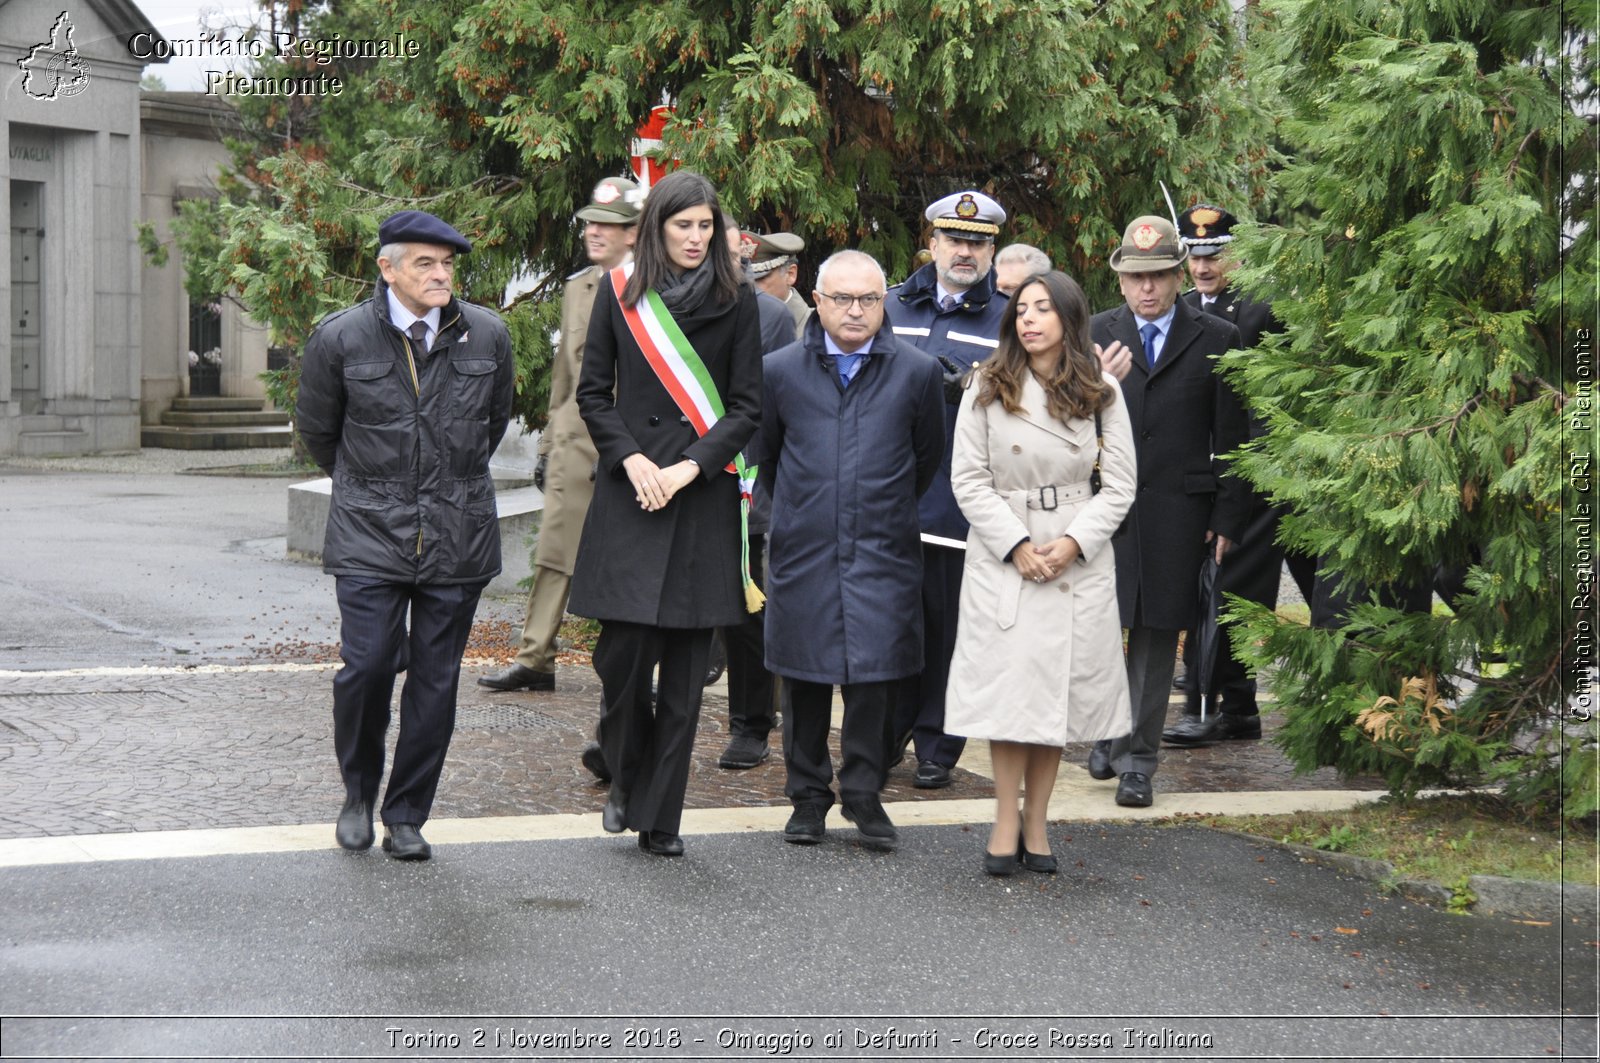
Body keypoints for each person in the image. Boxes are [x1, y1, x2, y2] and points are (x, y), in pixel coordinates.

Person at [296, 210, 515, 861]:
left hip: (459, 532)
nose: (441, 273)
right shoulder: (340, 338)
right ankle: (358, 795)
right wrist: (375, 487)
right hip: (370, 531)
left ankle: (407, 813)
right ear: (387, 268)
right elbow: (320, 433)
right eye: (425, 262)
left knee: (435, 680)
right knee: (365, 667)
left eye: (448, 262)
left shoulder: (487, 336)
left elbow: (492, 425)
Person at [567, 170, 762, 857]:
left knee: (683, 674)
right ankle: (625, 770)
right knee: (618, 659)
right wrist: (633, 459)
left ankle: (661, 818)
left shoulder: (737, 300)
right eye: (683, 225)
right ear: (658, 228)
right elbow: (593, 393)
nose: (696, 237)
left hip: (698, 495)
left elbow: (746, 407)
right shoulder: (622, 295)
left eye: (706, 226)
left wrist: (689, 466)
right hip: (633, 493)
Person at [945, 270, 1136, 874]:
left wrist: (1074, 542)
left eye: (1042, 309)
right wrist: (1016, 543)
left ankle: (1038, 822)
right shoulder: (985, 383)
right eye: (1021, 309)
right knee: (1011, 693)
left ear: (1068, 319)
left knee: (1052, 698)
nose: (1028, 319)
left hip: (1075, 555)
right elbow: (967, 480)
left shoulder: (1101, 389)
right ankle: (1005, 820)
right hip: (1006, 551)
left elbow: (1122, 485)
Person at [758, 250, 946, 850]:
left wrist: (880, 508)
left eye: (868, 298)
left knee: (874, 678)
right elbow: (767, 456)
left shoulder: (916, 372)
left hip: (882, 548)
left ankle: (864, 795)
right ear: (818, 300)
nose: (856, 310)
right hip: (805, 547)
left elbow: (925, 458)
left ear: (884, 301)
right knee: (805, 676)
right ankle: (807, 798)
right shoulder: (780, 370)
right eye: (842, 298)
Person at [477, 177, 641, 783]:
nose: (592, 232)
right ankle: (535, 656)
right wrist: (548, 442)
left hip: (635, 445)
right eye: (589, 223)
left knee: (626, 561)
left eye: (607, 224)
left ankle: (633, 672)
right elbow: (564, 378)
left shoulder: (654, 287)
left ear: (632, 233)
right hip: (578, 437)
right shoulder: (580, 288)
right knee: (554, 550)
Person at [1085, 215, 1250, 808]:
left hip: (1180, 509)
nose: (1147, 289)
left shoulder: (1216, 338)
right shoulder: (1095, 333)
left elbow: (1233, 436)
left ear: (1179, 276)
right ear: (1120, 281)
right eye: (1135, 278)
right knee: (1103, 628)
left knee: (1156, 635)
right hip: (1105, 506)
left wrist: (1227, 518)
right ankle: (1107, 731)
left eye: (1158, 276)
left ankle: (1138, 762)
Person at [884, 190, 1009, 790]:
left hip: (960, 508)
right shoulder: (886, 307)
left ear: (992, 250)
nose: (965, 251)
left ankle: (937, 744)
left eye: (978, 242)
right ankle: (885, 734)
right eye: (954, 239)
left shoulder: (1010, 320)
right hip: (887, 500)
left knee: (949, 631)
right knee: (888, 624)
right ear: (931, 243)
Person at [1162, 203, 1285, 747]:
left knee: (1227, 588)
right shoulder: (1183, 309)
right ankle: (1237, 708)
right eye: (1194, 255)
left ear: (1234, 253)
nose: (1204, 266)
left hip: (1251, 469)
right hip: (1198, 469)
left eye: (1215, 254)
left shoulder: (1262, 309)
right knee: (1205, 589)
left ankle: (1210, 705)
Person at [747, 231, 812, 337]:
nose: (751, 287)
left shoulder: (819, 331)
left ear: (790, 274)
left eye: (761, 278)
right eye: (745, 280)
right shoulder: (738, 325)